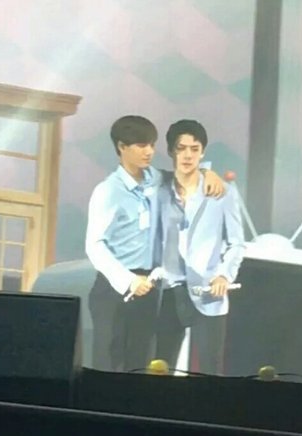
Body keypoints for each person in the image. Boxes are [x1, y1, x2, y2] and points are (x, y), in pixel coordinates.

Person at [85, 115, 224, 372]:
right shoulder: (108, 191)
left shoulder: (156, 179)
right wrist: (128, 280)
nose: (149, 151)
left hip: (149, 287)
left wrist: (208, 172)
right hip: (115, 287)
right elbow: (94, 245)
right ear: (121, 147)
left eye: (151, 144)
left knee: (140, 364)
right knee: (109, 365)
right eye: (141, 145)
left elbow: (186, 173)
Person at [155, 119, 245, 375]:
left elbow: (237, 242)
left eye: (194, 149)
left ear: (202, 152)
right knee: (159, 367)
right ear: (171, 151)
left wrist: (224, 275)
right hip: (168, 290)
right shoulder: (159, 188)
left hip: (208, 290)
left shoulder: (222, 192)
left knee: (209, 372)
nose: (188, 155)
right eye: (181, 148)